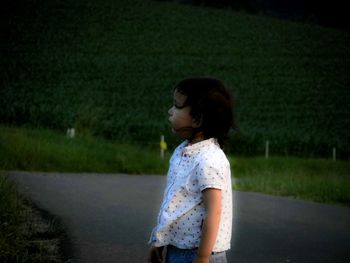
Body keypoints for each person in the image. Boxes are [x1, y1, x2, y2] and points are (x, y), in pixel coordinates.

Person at [148, 77, 235, 263]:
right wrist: (160, 242)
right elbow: (176, 204)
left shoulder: (209, 159)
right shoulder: (182, 151)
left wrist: (202, 258)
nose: (170, 111)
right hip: (177, 247)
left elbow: (214, 211)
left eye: (177, 106)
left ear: (197, 119)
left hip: (199, 253)